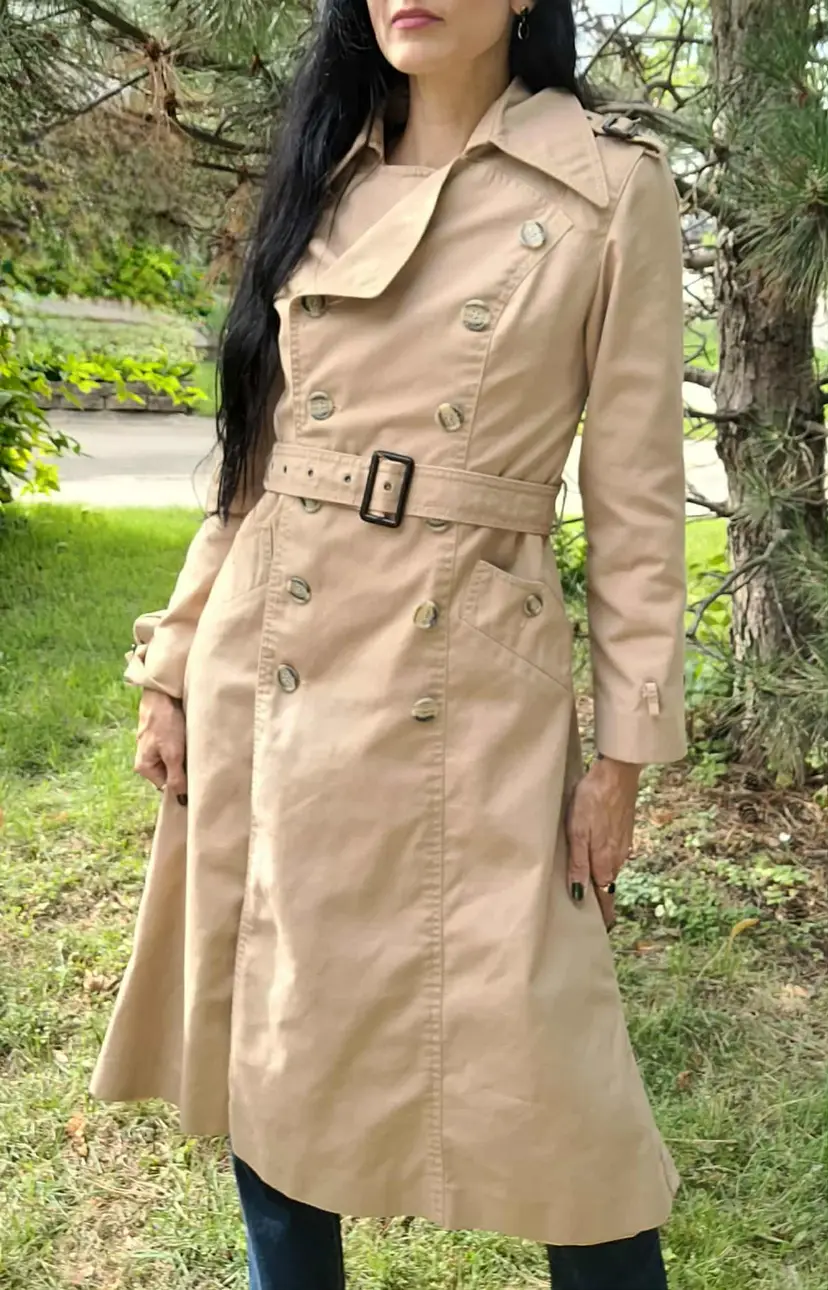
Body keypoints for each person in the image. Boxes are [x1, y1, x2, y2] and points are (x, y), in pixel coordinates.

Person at [90, 1, 688, 1286]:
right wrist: (174, 659)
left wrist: (623, 758)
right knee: (272, 1026)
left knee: (562, 1082)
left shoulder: (610, 186)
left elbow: (638, 502)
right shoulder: (326, 169)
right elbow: (253, 461)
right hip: (273, 662)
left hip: (472, 684)